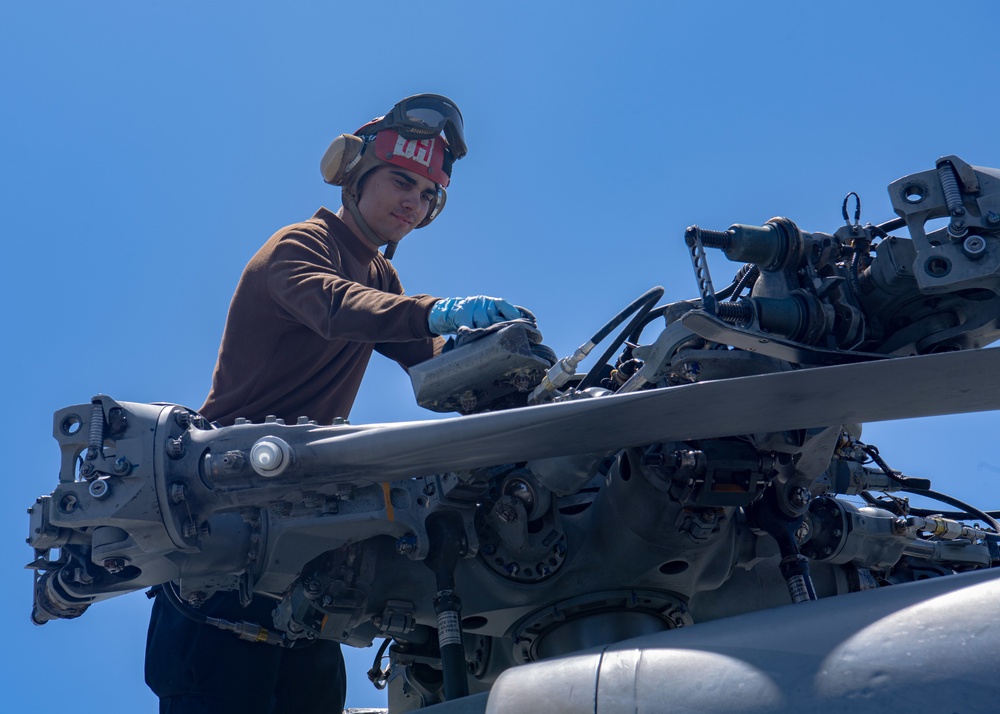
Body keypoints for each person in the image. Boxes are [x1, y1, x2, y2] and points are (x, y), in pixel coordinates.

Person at [144, 94, 528, 714]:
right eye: (402, 181)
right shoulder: (298, 247)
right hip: (224, 530)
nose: (414, 202)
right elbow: (334, 306)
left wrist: (514, 374)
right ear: (354, 175)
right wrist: (438, 309)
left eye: (428, 194)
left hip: (304, 554)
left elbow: (435, 368)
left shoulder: (382, 279)